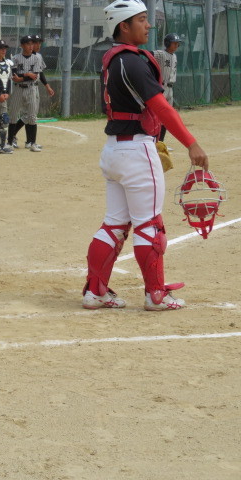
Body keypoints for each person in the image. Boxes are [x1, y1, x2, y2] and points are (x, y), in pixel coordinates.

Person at [82, 0, 209, 311]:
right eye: (141, 19)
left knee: (114, 224)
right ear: (124, 26)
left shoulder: (113, 59)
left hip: (115, 149)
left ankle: (95, 292)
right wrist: (191, 143)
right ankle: (156, 295)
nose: (148, 25)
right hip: (136, 150)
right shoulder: (133, 61)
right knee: (150, 225)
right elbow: (162, 108)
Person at [7, 35, 42, 152]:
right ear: (22, 45)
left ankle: (32, 143)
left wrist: (22, 77)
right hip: (18, 89)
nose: (31, 46)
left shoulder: (36, 58)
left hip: (31, 89)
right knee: (13, 115)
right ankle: (9, 142)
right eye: (28, 44)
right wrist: (27, 74)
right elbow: (14, 75)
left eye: (32, 44)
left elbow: (35, 76)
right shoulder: (15, 58)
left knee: (32, 116)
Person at [28, 34, 56, 149]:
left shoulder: (39, 56)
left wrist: (47, 86)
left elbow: (40, 72)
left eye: (39, 43)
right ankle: (12, 137)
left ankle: (29, 141)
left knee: (31, 115)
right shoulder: (24, 56)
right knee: (26, 115)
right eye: (36, 42)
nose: (38, 45)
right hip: (22, 88)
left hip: (34, 87)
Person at [154, 33, 181, 144]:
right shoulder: (161, 54)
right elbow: (148, 54)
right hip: (161, 88)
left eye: (177, 43)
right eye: (174, 43)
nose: (176, 45)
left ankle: (161, 143)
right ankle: (153, 141)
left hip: (170, 89)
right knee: (157, 116)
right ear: (167, 43)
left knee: (167, 117)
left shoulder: (174, 56)